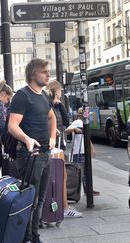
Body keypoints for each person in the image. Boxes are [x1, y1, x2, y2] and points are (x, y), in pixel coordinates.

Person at [8, 58, 57, 243]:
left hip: (45, 154)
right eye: (44, 71)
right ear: (33, 73)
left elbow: (51, 117)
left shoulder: (44, 96)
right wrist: (27, 139)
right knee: (31, 200)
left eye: (48, 71)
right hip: (30, 155)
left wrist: (52, 137)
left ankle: (35, 237)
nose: (48, 74)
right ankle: (26, 238)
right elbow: (12, 125)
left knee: (41, 200)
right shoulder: (22, 95)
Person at [46, 80, 82, 218]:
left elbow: (67, 121)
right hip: (52, 144)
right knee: (59, 176)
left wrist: (60, 105)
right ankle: (63, 207)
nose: (61, 93)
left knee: (62, 175)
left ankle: (63, 205)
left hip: (58, 144)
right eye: (60, 91)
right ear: (55, 90)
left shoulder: (57, 105)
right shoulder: (47, 104)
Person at [65, 108, 99, 197]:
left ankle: (88, 189)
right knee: (79, 172)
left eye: (84, 112)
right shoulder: (76, 122)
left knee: (87, 172)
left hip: (85, 150)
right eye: (81, 112)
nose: (83, 114)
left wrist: (92, 148)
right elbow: (67, 130)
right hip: (78, 151)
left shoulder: (86, 123)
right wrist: (75, 128)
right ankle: (74, 191)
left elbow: (87, 137)